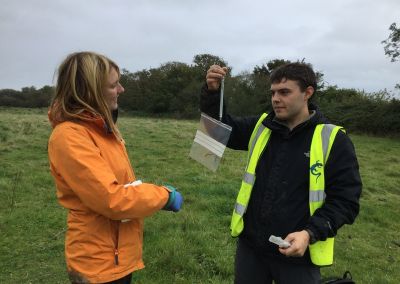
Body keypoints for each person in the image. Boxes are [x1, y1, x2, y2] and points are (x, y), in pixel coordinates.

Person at [200, 62, 362, 284]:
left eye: (284, 92)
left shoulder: (334, 140)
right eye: (273, 92)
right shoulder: (262, 126)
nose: (276, 98)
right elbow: (217, 131)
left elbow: (346, 200)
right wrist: (212, 92)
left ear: (308, 93)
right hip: (252, 249)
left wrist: (309, 233)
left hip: (298, 255)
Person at [48, 51, 183, 284]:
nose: (121, 90)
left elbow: (119, 186)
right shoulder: (70, 136)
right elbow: (112, 199)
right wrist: (163, 196)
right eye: (114, 85)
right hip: (97, 263)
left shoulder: (101, 130)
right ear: (90, 91)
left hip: (116, 255)